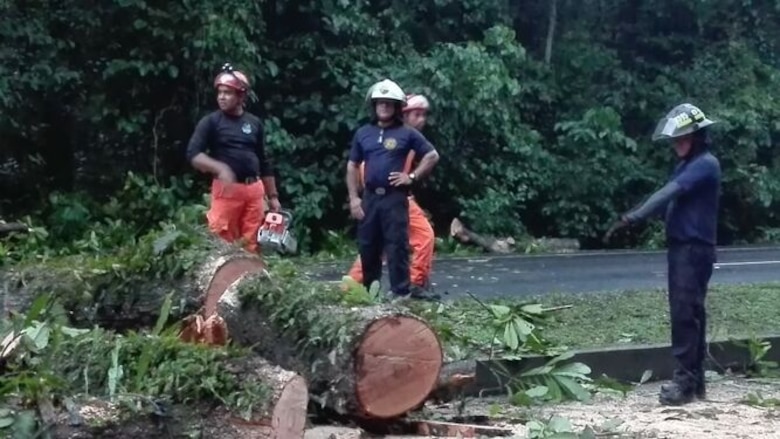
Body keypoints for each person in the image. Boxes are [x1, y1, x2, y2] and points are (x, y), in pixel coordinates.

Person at [604, 103, 721, 405]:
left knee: (685, 315)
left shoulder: (705, 163)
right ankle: (695, 382)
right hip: (684, 248)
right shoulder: (687, 165)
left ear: (698, 137)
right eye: (675, 139)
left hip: (694, 250)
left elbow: (667, 194)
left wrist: (633, 217)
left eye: (684, 138)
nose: (677, 144)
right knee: (692, 314)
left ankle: (684, 383)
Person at [346, 79, 440, 299]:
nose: (384, 106)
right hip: (371, 197)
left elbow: (431, 155)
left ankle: (404, 291)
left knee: (397, 246)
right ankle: (364, 291)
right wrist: (354, 198)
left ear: (397, 107)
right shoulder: (364, 133)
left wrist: (411, 178)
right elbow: (354, 165)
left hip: (396, 198)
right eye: (380, 102)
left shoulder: (407, 135)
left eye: (389, 103)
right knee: (369, 246)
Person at [185, 63, 282, 254]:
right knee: (222, 242)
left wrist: (273, 197)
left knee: (252, 242)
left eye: (228, 93)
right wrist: (220, 168)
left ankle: (250, 280)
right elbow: (193, 154)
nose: (221, 96)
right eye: (220, 92)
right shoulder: (211, 122)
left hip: (254, 190)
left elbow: (264, 161)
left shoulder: (254, 123)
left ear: (241, 96)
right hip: (226, 191)